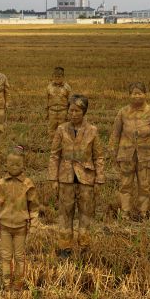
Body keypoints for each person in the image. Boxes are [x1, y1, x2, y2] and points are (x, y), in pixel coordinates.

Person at [47, 95, 104, 258]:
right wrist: (53, 178)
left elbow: (98, 156)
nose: (73, 114)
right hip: (65, 177)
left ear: (84, 112)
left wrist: (99, 179)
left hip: (86, 177)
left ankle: (84, 246)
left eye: (77, 110)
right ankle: (65, 247)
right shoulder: (61, 129)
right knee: (65, 213)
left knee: (86, 213)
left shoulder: (92, 130)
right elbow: (54, 155)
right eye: (70, 110)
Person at [108, 82, 150, 220]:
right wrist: (112, 149)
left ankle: (142, 212)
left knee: (144, 185)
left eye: (140, 93)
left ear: (145, 94)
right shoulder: (123, 112)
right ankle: (125, 212)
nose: (137, 96)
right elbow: (115, 132)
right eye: (134, 93)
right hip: (126, 154)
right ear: (129, 95)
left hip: (146, 155)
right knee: (125, 184)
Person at [0, 147, 38, 290]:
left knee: (19, 256)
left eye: (18, 164)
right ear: (6, 165)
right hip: (5, 226)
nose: (14, 167)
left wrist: (34, 223)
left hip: (21, 227)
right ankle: (6, 284)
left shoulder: (27, 184)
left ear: (23, 165)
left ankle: (18, 284)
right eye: (11, 164)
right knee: (5, 256)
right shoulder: (1, 184)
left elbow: (34, 206)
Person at [45, 67, 72, 134]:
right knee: (51, 130)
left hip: (63, 112)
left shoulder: (67, 87)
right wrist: (47, 113)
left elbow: (70, 102)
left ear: (63, 77)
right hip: (52, 112)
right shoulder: (49, 87)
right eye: (55, 76)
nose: (57, 78)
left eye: (59, 76)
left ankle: (63, 144)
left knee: (63, 130)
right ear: (53, 77)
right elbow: (46, 100)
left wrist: (69, 114)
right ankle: (52, 143)